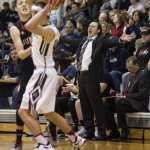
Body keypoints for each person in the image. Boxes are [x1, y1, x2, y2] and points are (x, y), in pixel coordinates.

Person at [18, 1, 85, 150]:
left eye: (36, 13)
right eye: (33, 13)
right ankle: (75, 139)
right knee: (48, 112)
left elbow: (28, 26)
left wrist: (47, 8)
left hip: (43, 73)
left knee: (23, 111)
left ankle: (44, 144)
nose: (33, 16)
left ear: (45, 14)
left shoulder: (50, 30)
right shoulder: (40, 28)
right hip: (45, 73)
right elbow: (27, 23)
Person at [76, 21, 119, 140]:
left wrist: (120, 39)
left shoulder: (100, 40)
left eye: (93, 26)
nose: (90, 27)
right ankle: (89, 131)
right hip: (81, 74)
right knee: (85, 104)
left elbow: (112, 42)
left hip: (92, 75)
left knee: (96, 105)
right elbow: (76, 48)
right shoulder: (84, 41)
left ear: (98, 30)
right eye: (89, 26)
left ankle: (102, 132)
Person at [104, 56, 150, 140]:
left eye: (131, 67)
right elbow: (125, 92)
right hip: (127, 102)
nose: (129, 69)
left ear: (137, 65)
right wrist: (118, 94)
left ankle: (125, 131)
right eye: (128, 67)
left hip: (139, 104)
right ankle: (114, 131)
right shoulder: (127, 76)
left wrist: (125, 96)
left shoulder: (143, 76)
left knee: (120, 102)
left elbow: (142, 95)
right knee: (107, 103)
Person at [9, 0, 35, 149]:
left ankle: (49, 136)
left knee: (47, 105)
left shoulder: (39, 21)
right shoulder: (15, 28)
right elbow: (22, 54)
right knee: (21, 105)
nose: (24, 4)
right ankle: (19, 139)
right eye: (20, 3)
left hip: (42, 67)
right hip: (26, 69)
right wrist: (37, 42)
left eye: (26, 2)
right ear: (16, 8)